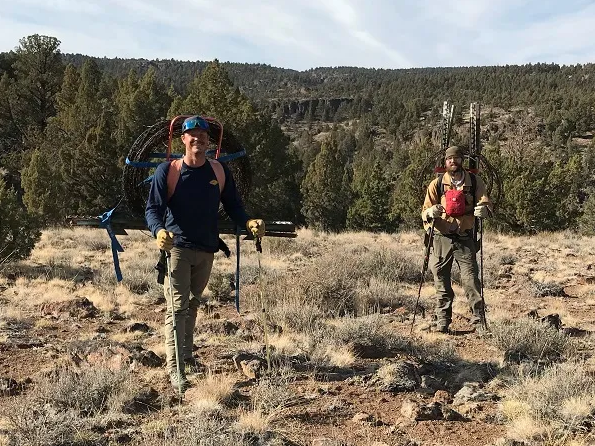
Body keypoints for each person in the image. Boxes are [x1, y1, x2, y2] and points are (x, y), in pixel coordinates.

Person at [145, 115, 265, 391]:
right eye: (192, 134)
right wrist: (158, 232)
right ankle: (175, 369)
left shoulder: (218, 171)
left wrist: (248, 222)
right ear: (183, 140)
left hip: (206, 249)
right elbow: (152, 209)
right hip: (177, 249)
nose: (198, 138)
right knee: (176, 308)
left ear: (209, 141)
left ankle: (186, 355)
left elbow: (233, 205)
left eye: (203, 135)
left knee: (193, 304)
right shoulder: (168, 170)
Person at [421, 145, 492, 333]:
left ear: (462, 160)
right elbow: (424, 212)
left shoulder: (475, 182)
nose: (453, 161)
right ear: (445, 162)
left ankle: (479, 321)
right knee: (441, 280)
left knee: (470, 280)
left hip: (465, 237)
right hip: (441, 237)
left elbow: (485, 202)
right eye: (449, 159)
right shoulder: (436, 184)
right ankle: (442, 321)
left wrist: (484, 209)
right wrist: (430, 212)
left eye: (456, 158)